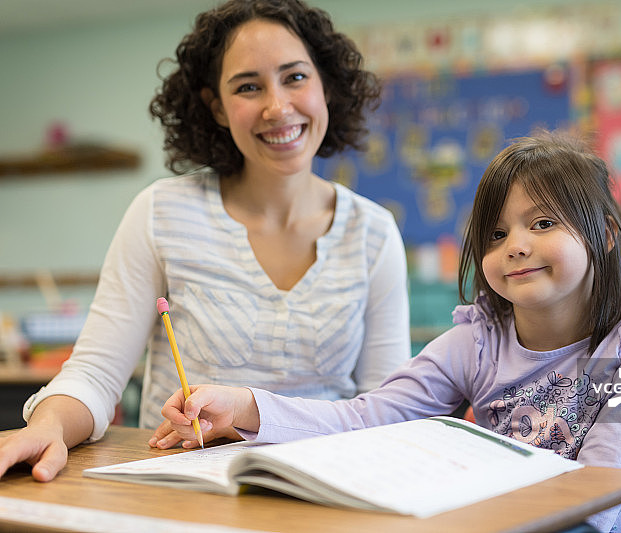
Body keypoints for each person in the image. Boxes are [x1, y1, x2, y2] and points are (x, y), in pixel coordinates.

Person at [160, 131, 621, 533]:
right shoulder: (478, 341)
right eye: (498, 232)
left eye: (544, 223)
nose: (516, 245)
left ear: (601, 235)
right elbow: (367, 418)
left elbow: (606, 483)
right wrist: (246, 406)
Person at [0, 0, 410, 482]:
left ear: (326, 86)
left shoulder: (374, 233)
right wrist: (47, 424)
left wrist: (256, 418)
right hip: (177, 491)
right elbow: (95, 373)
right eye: (248, 87)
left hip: (325, 494)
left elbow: (387, 410)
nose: (277, 107)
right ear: (216, 105)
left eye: (295, 77)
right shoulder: (161, 213)